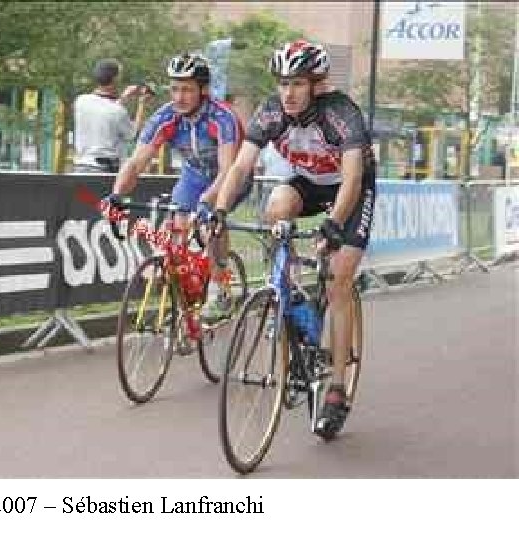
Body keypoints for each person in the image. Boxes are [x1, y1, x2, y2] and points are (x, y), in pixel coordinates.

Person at [210, 40, 377, 438]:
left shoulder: (341, 113)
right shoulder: (271, 111)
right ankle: (289, 291)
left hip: (351, 190)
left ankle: (337, 387)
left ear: (317, 85)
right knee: (276, 208)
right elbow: (240, 167)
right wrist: (220, 210)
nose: (288, 92)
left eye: (298, 83)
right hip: (309, 183)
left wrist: (334, 224)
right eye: (283, 83)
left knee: (338, 281)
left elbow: (353, 179)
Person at [104, 52, 253, 322]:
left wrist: (207, 202)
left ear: (203, 90)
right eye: (174, 89)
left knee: (211, 224)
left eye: (186, 90)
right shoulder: (166, 117)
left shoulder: (222, 117)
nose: (179, 97)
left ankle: (219, 287)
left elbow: (227, 170)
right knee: (176, 227)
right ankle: (182, 298)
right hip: (194, 174)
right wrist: (116, 196)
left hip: (231, 175)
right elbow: (135, 163)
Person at [73, 58, 150, 173]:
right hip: (105, 170)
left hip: (81, 167)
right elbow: (133, 134)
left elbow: (104, 111)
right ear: (115, 79)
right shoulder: (118, 111)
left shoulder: (80, 101)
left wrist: (124, 98)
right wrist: (142, 104)